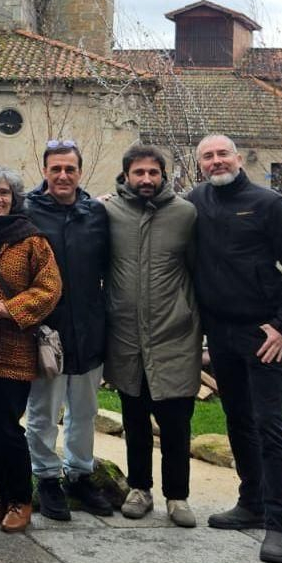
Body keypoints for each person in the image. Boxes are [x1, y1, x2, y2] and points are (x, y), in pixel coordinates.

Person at [187, 134, 282, 563]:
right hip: (219, 332)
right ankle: (251, 503)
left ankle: (279, 527)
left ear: (238, 159)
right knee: (238, 419)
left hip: (263, 336)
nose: (216, 161)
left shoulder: (268, 203)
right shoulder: (194, 202)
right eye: (208, 156)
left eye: (223, 154)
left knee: (269, 424)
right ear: (199, 163)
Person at [102, 144, 201, 527]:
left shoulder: (185, 214)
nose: (146, 180)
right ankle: (139, 489)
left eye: (153, 173)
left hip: (174, 335)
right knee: (135, 419)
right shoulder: (108, 212)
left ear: (163, 175)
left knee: (177, 423)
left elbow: (197, 271)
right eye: (138, 173)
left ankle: (178, 497)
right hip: (126, 336)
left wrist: (191, 318)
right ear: (126, 174)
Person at [22, 140, 114, 521]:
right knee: (43, 411)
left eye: (70, 169)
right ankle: (45, 477)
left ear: (80, 171)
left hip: (90, 328)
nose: (63, 175)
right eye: (55, 168)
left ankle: (79, 473)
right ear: (44, 171)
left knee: (84, 410)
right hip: (47, 332)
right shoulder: (26, 213)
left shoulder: (96, 213)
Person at [0, 165, 61, 534]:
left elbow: (50, 288)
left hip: (15, 347)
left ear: (14, 198)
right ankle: (1, 495)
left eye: (5, 193)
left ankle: (22, 499)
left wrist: (13, 308)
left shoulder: (31, 240)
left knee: (7, 427)